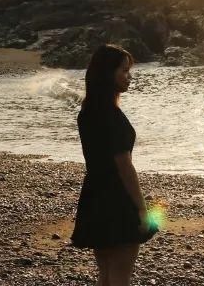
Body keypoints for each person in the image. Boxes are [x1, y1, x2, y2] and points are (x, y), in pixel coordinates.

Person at [71, 45, 155, 285]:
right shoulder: (111, 115)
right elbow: (124, 166)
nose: (129, 76)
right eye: (124, 70)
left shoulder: (88, 111)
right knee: (119, 277)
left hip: (94, 196)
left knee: (106, 275)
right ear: (108, 73)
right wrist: (141, 209)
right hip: (117, 199)